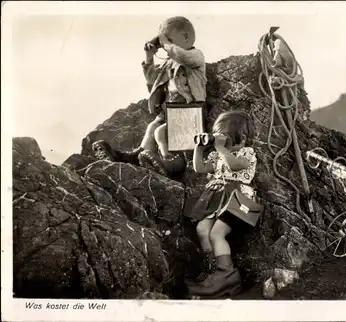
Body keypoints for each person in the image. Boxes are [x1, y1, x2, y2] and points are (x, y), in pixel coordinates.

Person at [91, 16, 207, 177]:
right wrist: (149, 56)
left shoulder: (196, 55)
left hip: (189, 112)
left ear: (186, 38)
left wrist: (165, 43)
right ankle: (138, 155)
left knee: (160, 132)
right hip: (169, 111)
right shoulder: (169, 63)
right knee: (153, 127)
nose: (166, 46)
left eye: (170, 40)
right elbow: (153, 81)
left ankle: (170, 161)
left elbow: (183, 57)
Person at [186, 110, 261, 299]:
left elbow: (235, 166)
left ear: (242, 138)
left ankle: (227, 275)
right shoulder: (218, 155)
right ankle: (213, 273)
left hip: (239, 199)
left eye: (225, 137)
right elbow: (200, 168)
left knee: (216, 233)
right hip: (217, 198)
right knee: (203, 229)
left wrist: (221, 149)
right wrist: (199, 148)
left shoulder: (247, 153)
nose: (221, 141)